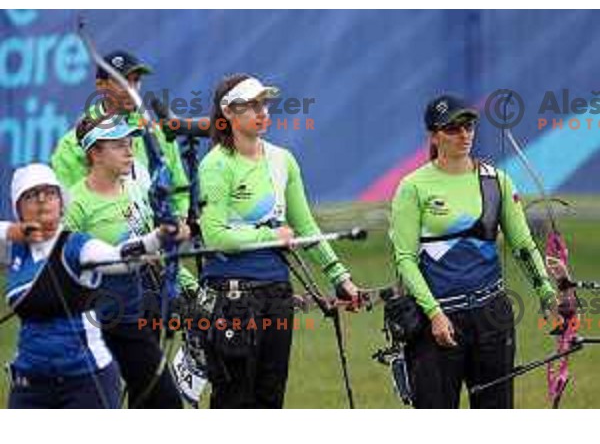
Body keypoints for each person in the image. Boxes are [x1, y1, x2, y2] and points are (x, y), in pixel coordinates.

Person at [198, 73, 360, 409]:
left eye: (264, 104)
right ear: (228, 112)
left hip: (276, 292)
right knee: (234, 400)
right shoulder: (215, 165)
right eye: (252, 105)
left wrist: (339, 276)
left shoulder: (282, 159)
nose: (262, 112)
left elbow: (305, 225)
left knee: (270, 398)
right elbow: (214, 236)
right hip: (231, 296)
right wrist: (270, 235)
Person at [389, 94, 561, 409]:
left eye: (468, 126)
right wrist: (435, 314)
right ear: (434, 136)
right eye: (453, 128)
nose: (464, 134)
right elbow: (405, 260)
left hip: (491, 317)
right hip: (437, 321)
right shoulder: (412, 187)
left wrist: (547, 292)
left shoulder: (497, 181)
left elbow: (523, 245)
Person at [0, 163, 172, 409]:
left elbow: (120, 258)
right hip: (30, 381)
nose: (41, 200)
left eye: (49, 193)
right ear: (18, 207)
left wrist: (158, 238)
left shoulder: (77, 245)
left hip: (85, 379)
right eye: (30, 195)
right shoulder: (13, 249)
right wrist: (15, 231)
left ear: (61, 202)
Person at [50, 49, 197, 294]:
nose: (131, 87)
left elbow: (178, 189)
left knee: (205, 310)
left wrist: (178, 223)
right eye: (122, 81)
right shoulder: (71, 145)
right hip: (103, 270)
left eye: (135, 80)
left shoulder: (155, 133)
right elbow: (74, 214)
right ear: (100, 85)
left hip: (160, 258)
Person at [64, 118, 188, 408]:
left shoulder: (133, 191)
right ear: (95, 153)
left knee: (163, 402)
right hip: (93, 326)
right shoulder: (74, 203)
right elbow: (64, 268)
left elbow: (152, 254)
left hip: (133, 321)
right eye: (119, 145)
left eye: (130, 144)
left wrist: (184, 281)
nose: (129, 151)